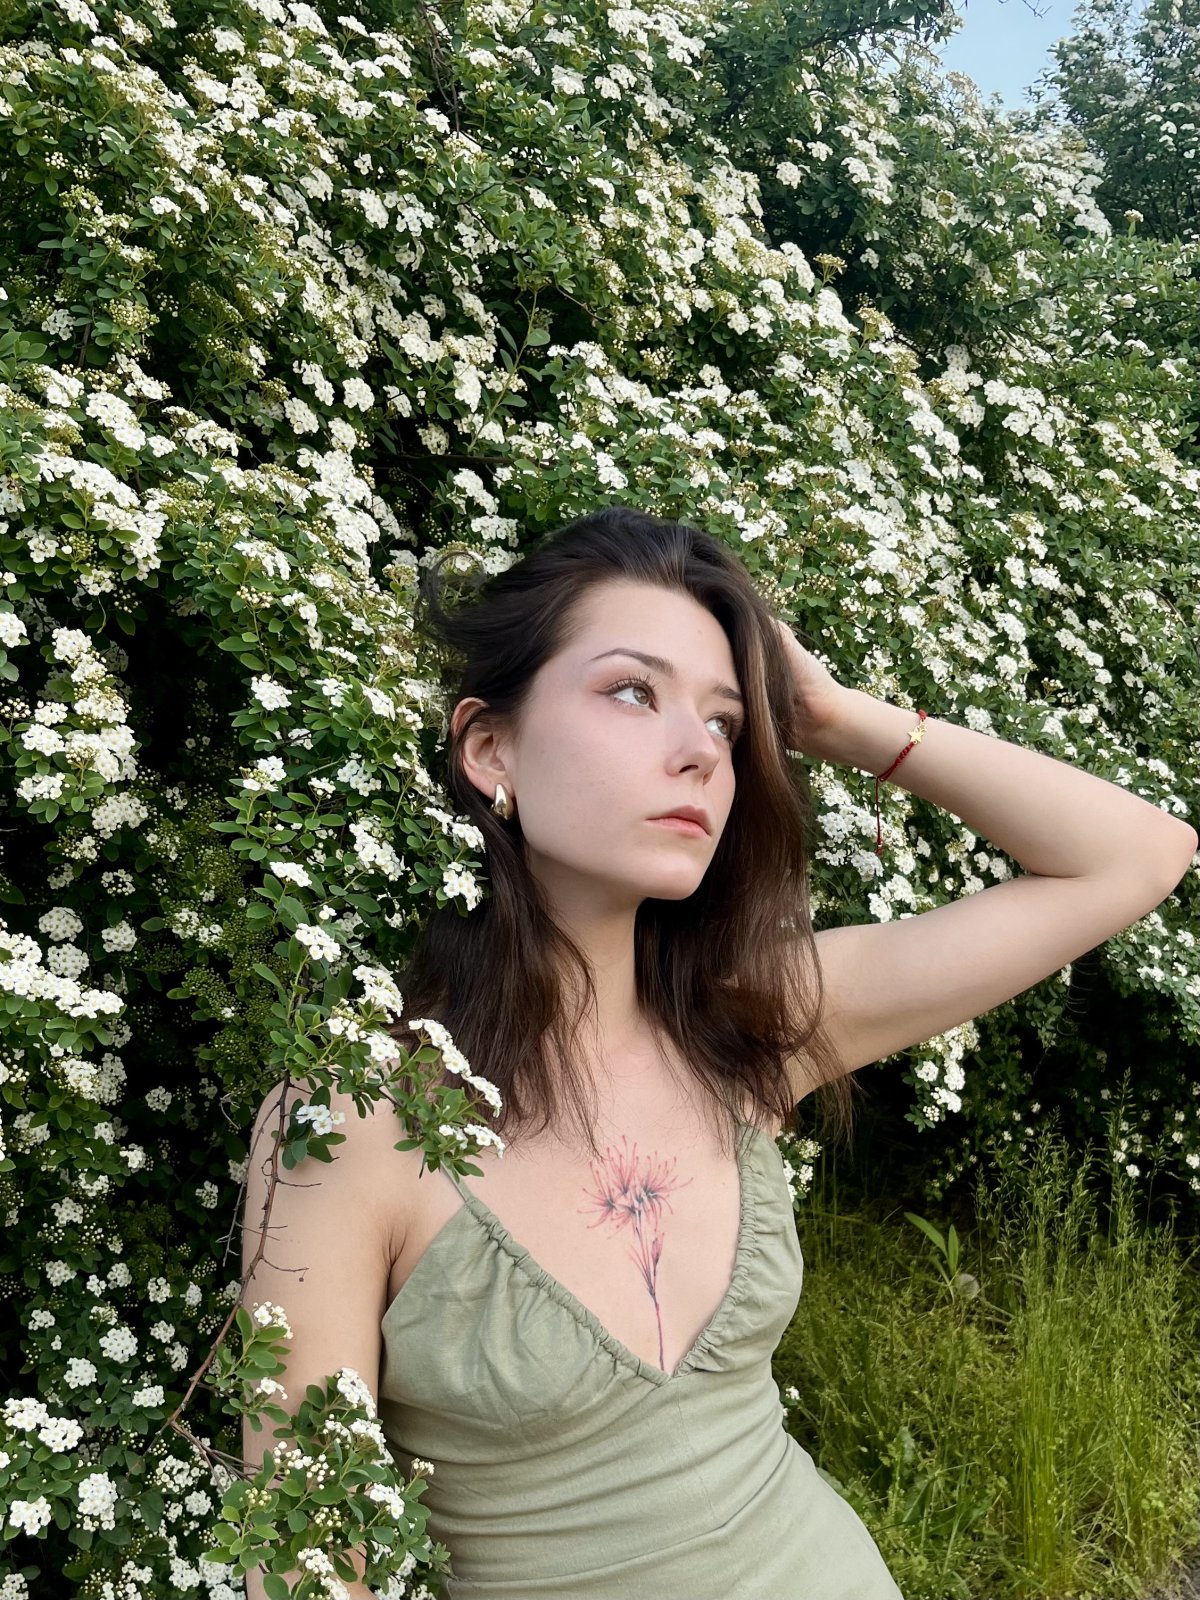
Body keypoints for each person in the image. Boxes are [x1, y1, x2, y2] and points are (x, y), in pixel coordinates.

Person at [241, 506, 1197, 1599]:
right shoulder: (353, 1119)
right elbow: (303, 1563)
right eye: (632, 691)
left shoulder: (748, 1027)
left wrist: (836, 717)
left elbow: (1136, 857)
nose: (699, 748)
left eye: (728, 723)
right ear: (489, 747)